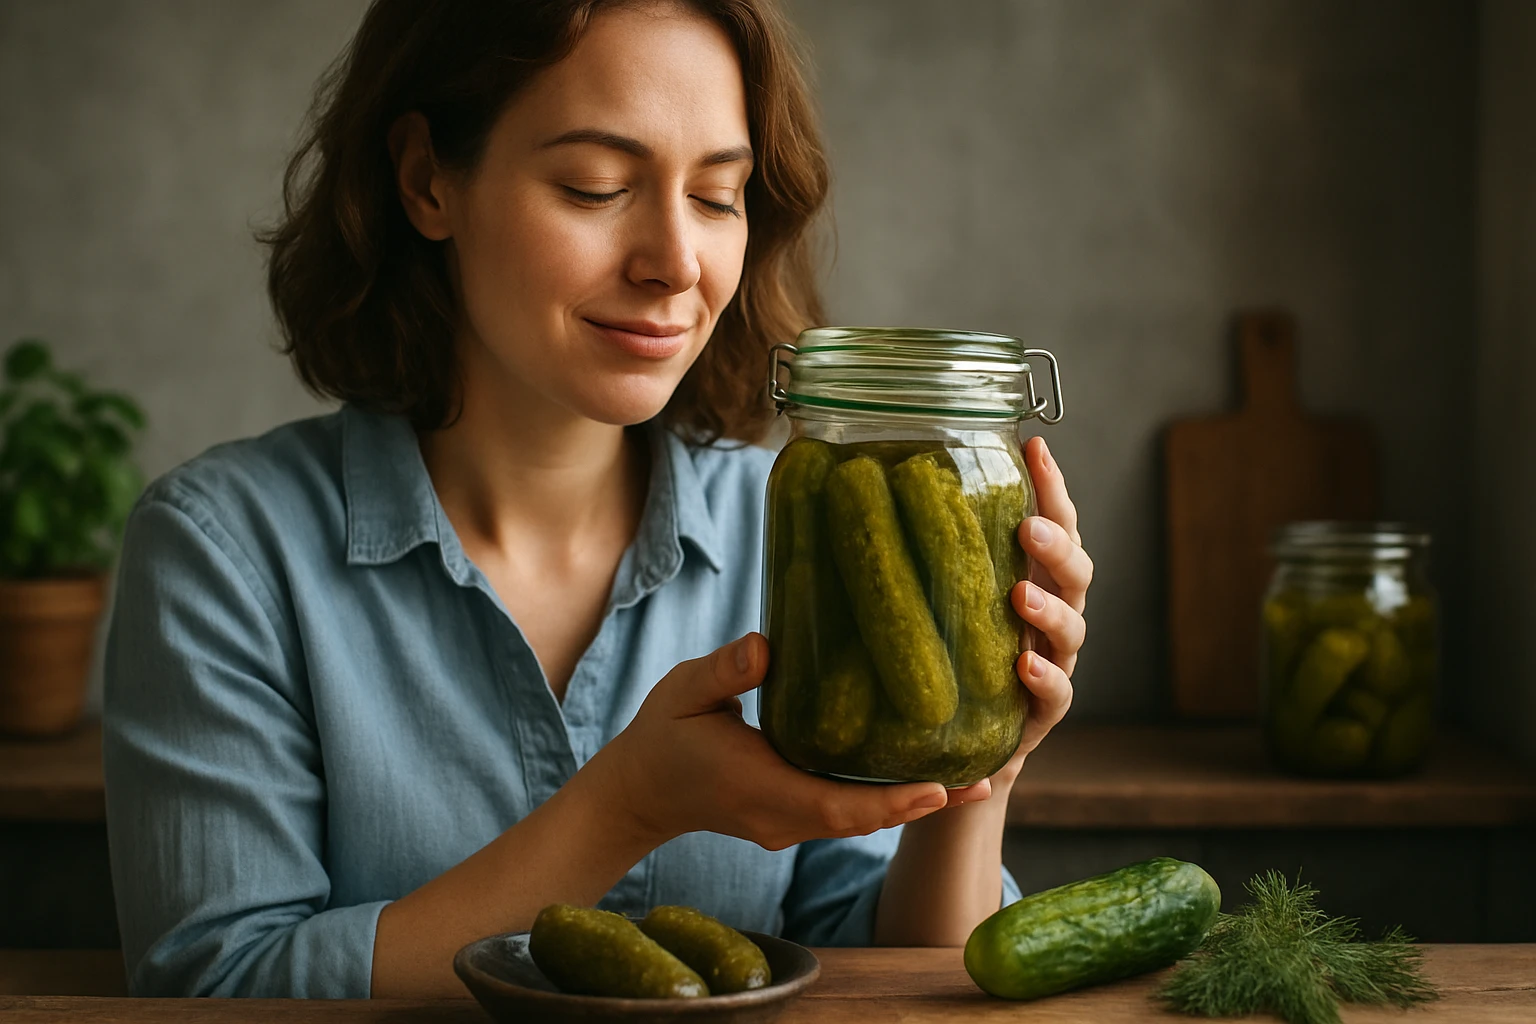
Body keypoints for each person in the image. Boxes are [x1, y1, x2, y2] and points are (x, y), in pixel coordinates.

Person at [102, 0, 1092, 1000]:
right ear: (425, 180)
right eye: (597, 186)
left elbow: (894, 965)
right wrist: (626, 806)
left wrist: (982, 758)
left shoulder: (786, 522)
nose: (675, 262)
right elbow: (211, 987)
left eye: (717, 195)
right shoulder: (224, 549)